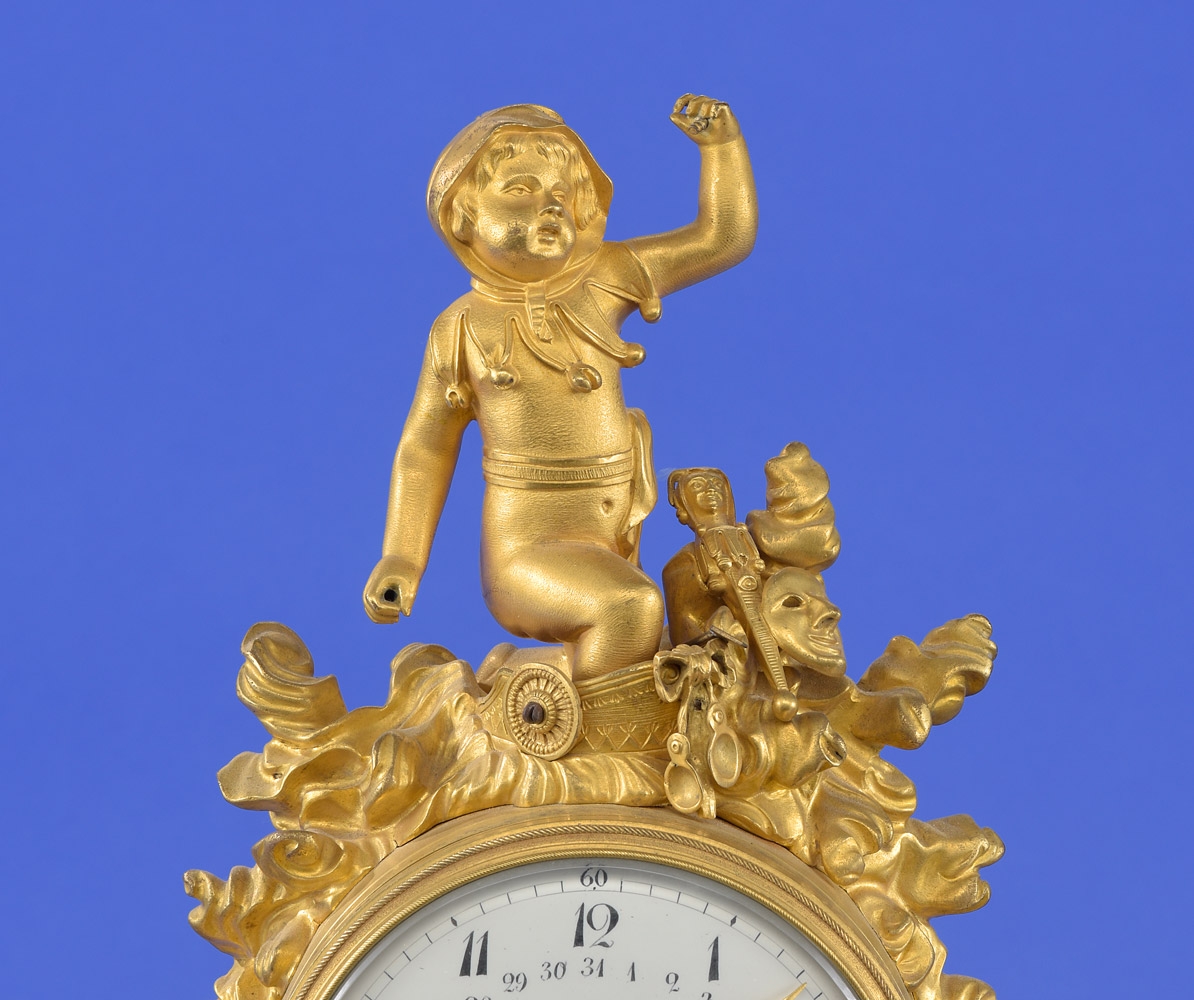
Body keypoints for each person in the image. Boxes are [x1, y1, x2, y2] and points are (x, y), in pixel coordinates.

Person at [363, 96, 757, 682]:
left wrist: (721, 149)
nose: (549, 205)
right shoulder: (461, 328)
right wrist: (402, 556)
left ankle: (536, 677)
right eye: (520, 190)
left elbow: (723, 238)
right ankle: (562, 713)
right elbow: (426, 447)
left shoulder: (606, 278)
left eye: (561, 194)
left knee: (695, 604)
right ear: (463, 218)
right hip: (526, 552)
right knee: (630, 609)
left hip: (614, 535)